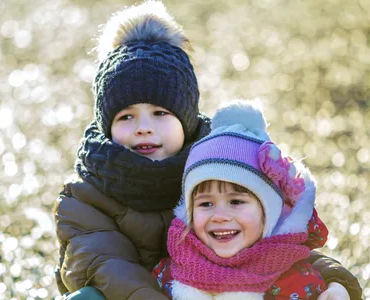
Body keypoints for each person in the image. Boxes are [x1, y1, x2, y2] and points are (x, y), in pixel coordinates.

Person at [54, 1, 362, 299]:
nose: (143, 127)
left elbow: (276, 245)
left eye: (160, 113)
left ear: (186, 120)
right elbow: (105, 268)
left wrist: (334, 282)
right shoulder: (84, 197)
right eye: (125, 116)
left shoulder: (220, 170)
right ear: (106, 125)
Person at [152, 100, 357, 299]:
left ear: (268, 213)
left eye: (236, 202)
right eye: (206, 204)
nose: (220, 216)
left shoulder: (298, 283)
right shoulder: (171, 272)